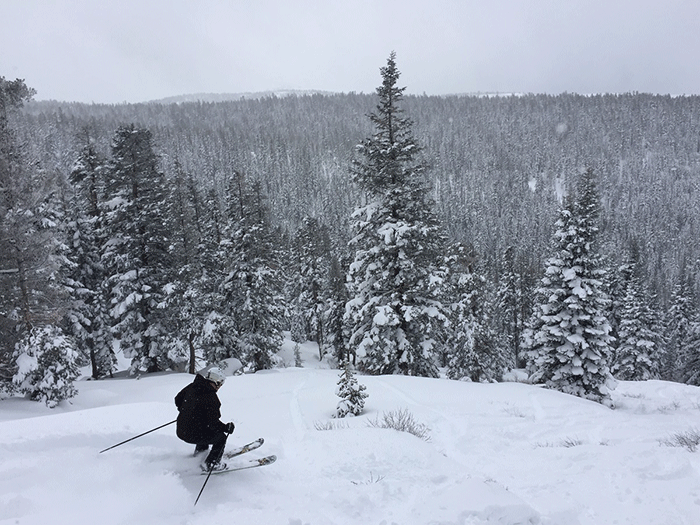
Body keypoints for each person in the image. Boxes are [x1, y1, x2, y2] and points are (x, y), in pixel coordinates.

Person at [174, 367, 235, 472]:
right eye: (220, 383)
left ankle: (200, 453)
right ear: (215, 381)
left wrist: (187, 412)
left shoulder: (193, 386)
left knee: (202, 428)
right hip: (191, 434)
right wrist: (226, 428)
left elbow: (178, 399)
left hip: (180, 430)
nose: (220, 386)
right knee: (221, 438)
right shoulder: (211, 398)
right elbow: (213, 424)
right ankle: (211, 464)